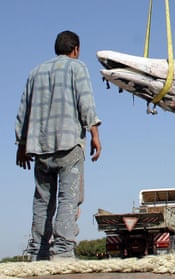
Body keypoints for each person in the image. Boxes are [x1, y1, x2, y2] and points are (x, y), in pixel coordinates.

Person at [15, 30, 102, 261]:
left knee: (42, 199)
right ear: (76, 49)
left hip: (40, 147)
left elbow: (23, 111)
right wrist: (95, 134)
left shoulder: (35, 73)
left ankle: (38, 251)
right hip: (68, 145)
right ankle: (63, 251)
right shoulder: (77, 67)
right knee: (68, 198)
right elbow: (86, 102)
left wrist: (21, 145)